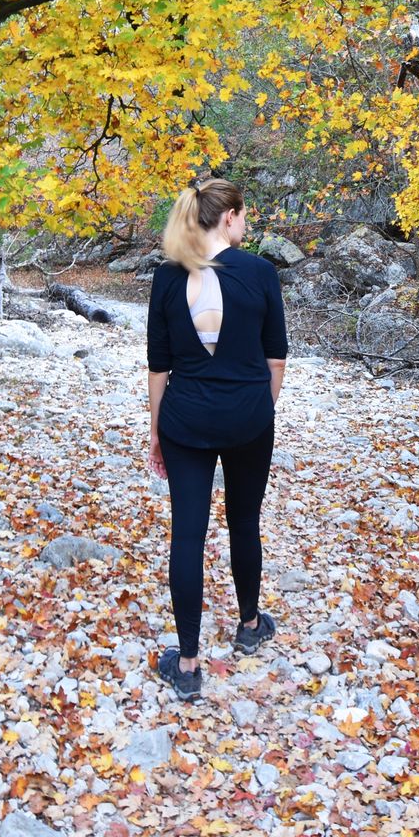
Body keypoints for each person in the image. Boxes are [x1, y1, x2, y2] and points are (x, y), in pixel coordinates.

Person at [144, 177, 288, 699]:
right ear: (228, 216)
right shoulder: (261, 273)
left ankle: (186, 664)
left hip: (186, 420)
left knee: (188, 532)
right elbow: (276, 358)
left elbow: (159, 366)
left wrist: (157, 431)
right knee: (244, 520)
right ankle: (249, 626)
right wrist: (257, 410)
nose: (246, 226)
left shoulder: (165, 278)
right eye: (244, 217)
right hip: (249, 417)